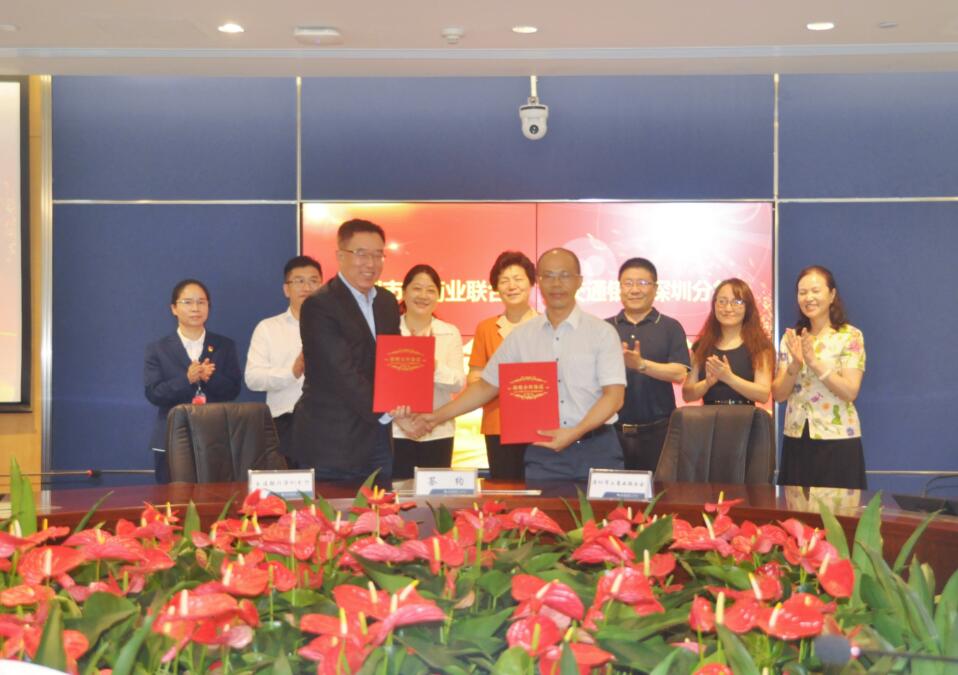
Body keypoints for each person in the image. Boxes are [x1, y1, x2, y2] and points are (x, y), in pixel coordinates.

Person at [415, 248, 626, 483]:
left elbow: (614, 397)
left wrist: (575, 432)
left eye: (564, 275)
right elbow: (486, 386)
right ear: (539, 282)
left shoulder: (602, 333)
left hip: (596, 448)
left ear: (579, 281)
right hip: (543, 451)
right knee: (540, 508)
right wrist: (435, 417)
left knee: (599, 510)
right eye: (549, 276)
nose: (556, 283)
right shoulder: (521, 337)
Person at [289, 219, 411, 485]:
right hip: (333, 443)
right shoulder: (319, 306)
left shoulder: (387, 302)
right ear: (340, 256)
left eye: (378, 255)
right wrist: (390, 412)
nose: (371, 263)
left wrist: (406, 399)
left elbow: (394, 361)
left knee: (380, 509)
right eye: (361, 254)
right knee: (333, 511)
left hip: (378, 439)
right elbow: (342, 373)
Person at [772, 265, 866, 489]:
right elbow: (778, 395)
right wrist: (795, 365)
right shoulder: (791, 338)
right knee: (796, 508)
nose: (808, 298)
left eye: (815, 291)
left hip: (838, 440)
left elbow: (850, 391)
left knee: (838, 510)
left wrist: (814, 362)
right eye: (802, 292)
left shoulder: (850, 336)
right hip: (797, 438)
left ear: (832, 295)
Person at [144, 279, 241, 484]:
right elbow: (154, 393)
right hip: (171, 437)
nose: (196, 308)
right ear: (174, 308)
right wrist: (187, 379)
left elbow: (233, 390)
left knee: (216, 497)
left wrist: (210, 377)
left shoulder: (224, 345)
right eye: (188, 302)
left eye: (201, 302)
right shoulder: (158, 349)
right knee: (172, 498)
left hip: (215, 438)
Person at [607, 258, 690, 471]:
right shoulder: (604, 329)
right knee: (612, 491)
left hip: (660, 434)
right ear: (620, 288)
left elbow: (679, 373)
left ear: (655, 288)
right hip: (611, 433)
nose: (635, 290)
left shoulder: (670, 327)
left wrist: (641, 364)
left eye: (642, 283)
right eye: (628, 283)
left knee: (661, 490)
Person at [245, 256, 323, 467]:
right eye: (299, 281)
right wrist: (292, 373)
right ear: (286, 289)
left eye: (314, 281)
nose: (307, 287)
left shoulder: (335, 328)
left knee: (327, 485)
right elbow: (253, 379)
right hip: (284, 424)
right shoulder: (268, 328)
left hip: (328, 424)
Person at [468, 251, 538, 480]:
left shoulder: (547, 325)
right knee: (504, 490)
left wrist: (499, 381)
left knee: (541, 490)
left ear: (531, 282)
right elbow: (474, 379)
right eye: (504, 280)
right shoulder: (486, 328)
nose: (512, 286)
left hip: (540, 425)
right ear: (496, 287)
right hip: (498, 424)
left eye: (518, 279)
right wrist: (509, 381)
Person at [391, 265, 465, 479]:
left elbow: (458, 383)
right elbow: (380, 383)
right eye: (417, 288)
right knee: (398, 493)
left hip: (438, 430)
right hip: (397, 430)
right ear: (404, 292)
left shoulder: (449, 332)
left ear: (438, 296)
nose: (423, 296)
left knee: (435, 493)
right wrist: (400, 420)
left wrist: (432, 366)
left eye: (430, 290)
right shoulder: (389, 330)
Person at [682, 278, 772, 405]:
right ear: (714, 305)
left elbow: (763, 394)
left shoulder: (760, 346)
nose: (728, 308)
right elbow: (687, 395)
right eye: (722, 301)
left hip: (744, 416)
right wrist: (707, 383)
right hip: (709, 416)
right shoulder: (701, 346)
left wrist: (728, 377)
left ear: (748, 307)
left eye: (737, 302)